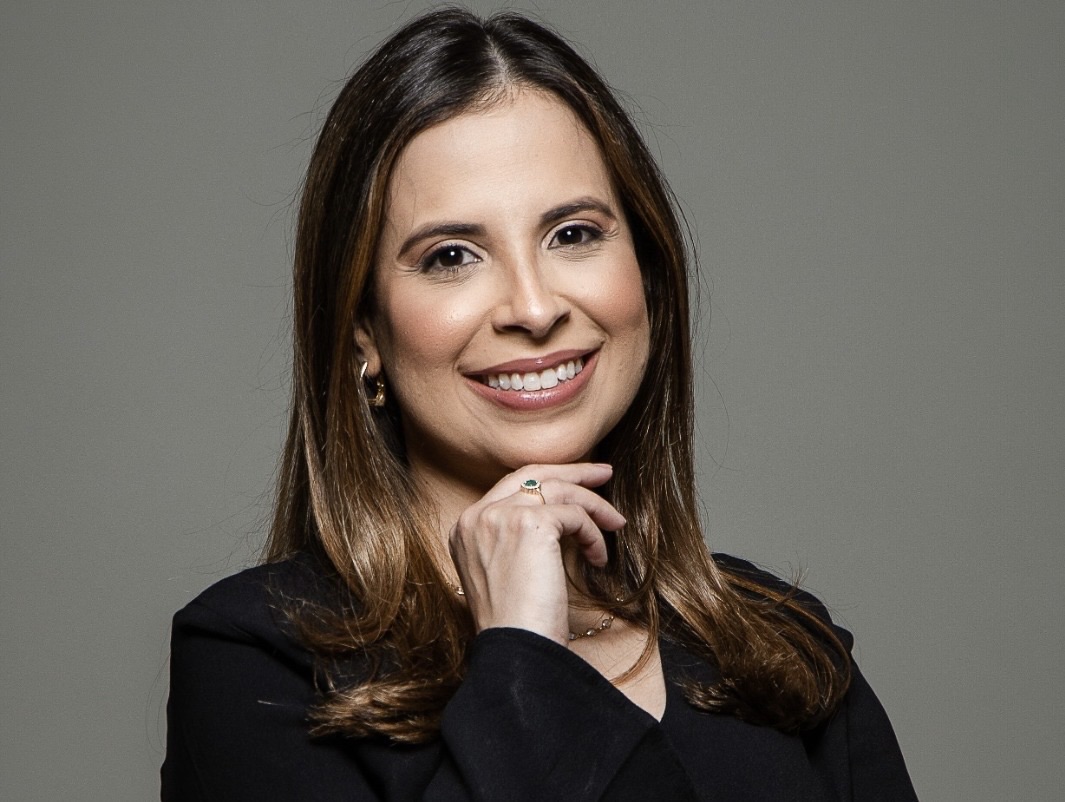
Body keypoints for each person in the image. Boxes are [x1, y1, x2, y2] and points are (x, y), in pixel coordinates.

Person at [162, 8, 917, 800]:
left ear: (647, 276)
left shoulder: (780, 649)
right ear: (364, 334)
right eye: (452, 255)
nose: (532, 306)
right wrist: (521, 655)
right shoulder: (257, 665)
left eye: (573, 235)